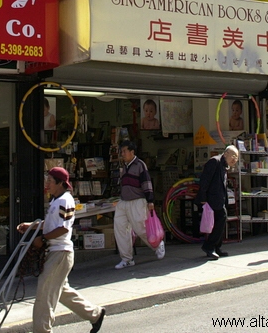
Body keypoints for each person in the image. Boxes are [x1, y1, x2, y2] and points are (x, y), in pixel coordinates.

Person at [17, 168, 105, 333]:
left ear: (60, 183)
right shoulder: (56, 201)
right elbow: (52, 224)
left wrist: (42, 239)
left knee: (45, 294)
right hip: (56, 251)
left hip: (60, 252)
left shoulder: (64, 200)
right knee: (61, 291)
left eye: (50, 181)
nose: (47, 184)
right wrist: (31, 226)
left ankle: (42, 330)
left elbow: (63, 229)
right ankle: (95, 314)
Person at [113, 140, 164, 269]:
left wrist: (150, 200)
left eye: (124, 151)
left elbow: (146, 183)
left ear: (132, 152)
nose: (122, 154)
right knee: (120, 229)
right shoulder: (124, 166)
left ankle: (157, 245)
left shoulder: (140, 165)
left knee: (141, 229)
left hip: (137, 201)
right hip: (124, 202)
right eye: (121, 151)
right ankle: (126, 259)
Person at [196, 145, 240, 260]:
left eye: (237, 158)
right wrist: (203, 198)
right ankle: (209, 246)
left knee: (220, 222)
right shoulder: (214, 162)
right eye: (233, 156)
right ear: (225, 154)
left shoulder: (224, 165)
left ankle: (216, 247)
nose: (234, 159)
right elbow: (204, 181)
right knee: (220, 219)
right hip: (211, 199)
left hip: (219, 199)